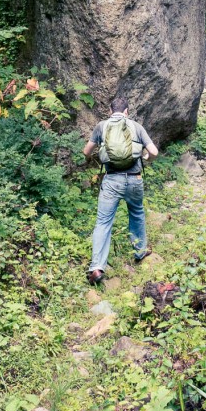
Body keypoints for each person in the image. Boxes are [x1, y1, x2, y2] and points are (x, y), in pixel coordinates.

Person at [83, 96, 159, 284]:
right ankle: (140, 252)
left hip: (111, 180)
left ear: (111, 111)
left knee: (103, 222)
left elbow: (86, 151)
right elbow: (154, 152)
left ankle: (97, 268)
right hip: (134, 179)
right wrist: (146, 160)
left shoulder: (101, 126)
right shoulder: (136, 126)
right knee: (137, 212)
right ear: (126, 111)